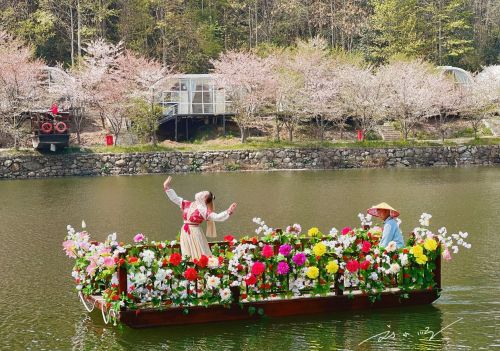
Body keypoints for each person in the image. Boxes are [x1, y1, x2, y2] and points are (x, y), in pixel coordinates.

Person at [163, 176, 237, 260]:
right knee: (187, 253)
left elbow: (217, 217)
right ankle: (189, 268)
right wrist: (166, 187)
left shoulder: (203, 211)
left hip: (195, 232)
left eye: (204, 194)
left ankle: (200, 269)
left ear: (204, 199)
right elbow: (175, 198)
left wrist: (228, 211)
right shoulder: (188, 204)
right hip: (185, 232)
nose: (201, 193)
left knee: (198, 253)